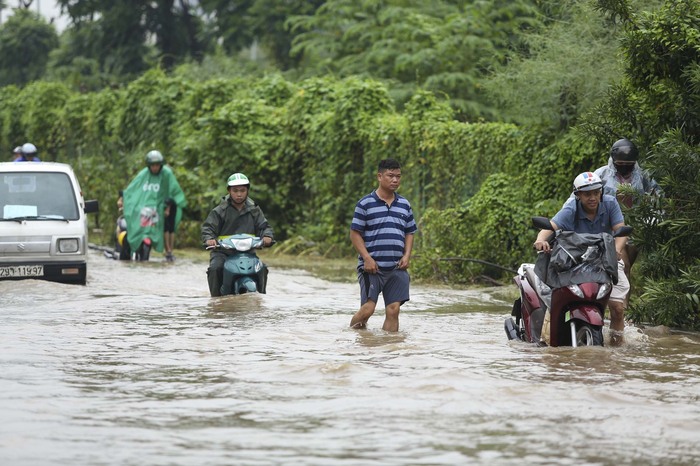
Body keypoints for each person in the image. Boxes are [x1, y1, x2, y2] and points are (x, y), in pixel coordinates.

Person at [534, 172, 630, 345]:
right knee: (554, 297)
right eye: (587, 194)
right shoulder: (571, 208)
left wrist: (616, 249)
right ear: (578, 195)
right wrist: (540, 240)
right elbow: (550, 227)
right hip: (574, 261)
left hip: (606, 260)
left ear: (601, 192)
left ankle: (618, 347)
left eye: (596, 192)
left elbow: (620, 231)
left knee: (617, 308)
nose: (592, 197)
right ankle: (547, 339)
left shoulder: (610, 203)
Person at [349, 158, 417, 332]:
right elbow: (355, 233)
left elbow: (410, 232)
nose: (395, 180)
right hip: (372, 267)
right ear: (380, 176)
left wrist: (407, 255)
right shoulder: (365, 204)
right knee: (367, 310)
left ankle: (390, 351)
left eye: (398, 176)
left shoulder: (404, 204)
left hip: (396, 267)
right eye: (390, 176)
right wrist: (367, 258)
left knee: (393, 310)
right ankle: (353, 337)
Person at [594, 138, 660, 278]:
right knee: (623, 266)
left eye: (628, 165)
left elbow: (657, 196)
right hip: (611, 226)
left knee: (627, 267)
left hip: (635, 226)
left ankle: (622, 297)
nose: (624, 167)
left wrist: (654, 217)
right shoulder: (602, 175)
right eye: (621, 164)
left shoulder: (643, 176)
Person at [201, 173, 274, 297]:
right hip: (223, 253)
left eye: (242, 190)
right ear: (229, 191)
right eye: (235, 191)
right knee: (215, 269)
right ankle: (216, 302)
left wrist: (267, 237)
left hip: (248, 253)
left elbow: (264, 227)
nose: (239, 194)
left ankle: (261, 297)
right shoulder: (219, 211)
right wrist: (209, 240)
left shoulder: (254, 210)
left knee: (262, 268)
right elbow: (208, 229)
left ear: (247, 191)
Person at [121, 150, 187, 261]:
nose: (155, 168)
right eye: (152, 165)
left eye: (157, 165)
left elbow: (172, 190)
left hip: (165, 207)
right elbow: (132, 189)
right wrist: (123, 197)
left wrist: (168, 205)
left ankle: (169, 251)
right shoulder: (143, 174)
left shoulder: (166, 174)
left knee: (168, 226)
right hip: (146, 209)